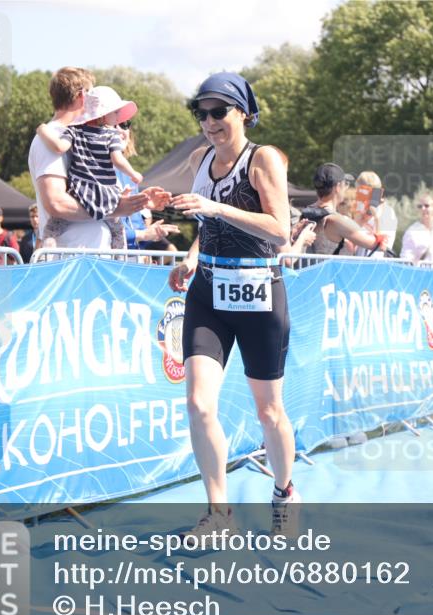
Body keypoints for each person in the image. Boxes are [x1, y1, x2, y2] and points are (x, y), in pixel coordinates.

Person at [164, 72, 299, 538]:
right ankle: (218, 514)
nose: (209, 122)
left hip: (259, 292)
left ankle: (284, 490)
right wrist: (190, 256)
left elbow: (280, 229)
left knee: (269, 412)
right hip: (208, 293)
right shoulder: (201, 159)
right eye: (201, 113)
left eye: (219, 111)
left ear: (243, 112)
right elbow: (205, 223)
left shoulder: (262, 160)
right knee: (200, 404)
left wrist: (218, 207)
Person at [28, 67, 166, 250]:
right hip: (73, 259)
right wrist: (116, 208)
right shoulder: (54, 135)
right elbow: (56, 203)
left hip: (88, 258)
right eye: (92, 93)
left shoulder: (81, 134)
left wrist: (137, 202)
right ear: (82, 95)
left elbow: (98, 191)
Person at [301, 163, 388, 256]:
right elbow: (380, 246)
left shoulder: (306, 213)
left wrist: (359, 221)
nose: (346, 188)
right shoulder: (338, 221)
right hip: (332, 270)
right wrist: (377, 218)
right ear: (338, 187)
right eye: (345, 184)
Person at [352, 171, 398, 257]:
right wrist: (360, 220)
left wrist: (376, 218)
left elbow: (382, 245)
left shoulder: (387, 213)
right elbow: (351, 242)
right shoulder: (358, 211)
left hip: (378, 263)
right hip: (358, 263)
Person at [399, 193, 433, 263]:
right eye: (420, 206)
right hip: (419, 272)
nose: (423, 208)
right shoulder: (412, 231)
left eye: (426, 206)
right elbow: (405, 259)